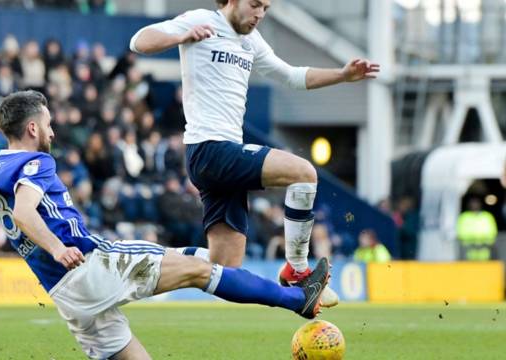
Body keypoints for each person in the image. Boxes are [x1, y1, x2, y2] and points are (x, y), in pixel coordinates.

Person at [0, 90, 330, 360]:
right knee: (202, 268)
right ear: (32, 128)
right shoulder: (35, 162)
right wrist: (58, 248)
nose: (52, 133)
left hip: (64, 295)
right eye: (49, 124)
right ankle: (298, 299)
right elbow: (25, 212)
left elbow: (16, 216)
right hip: (89, 266)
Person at [129, 0, 379, 306]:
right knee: (303, 174)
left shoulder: (251, 40)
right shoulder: (200, 20)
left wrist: (342, 75)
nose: (260, 14)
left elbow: (292, 76)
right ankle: (297, 271)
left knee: (226, 269)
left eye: (266, 8)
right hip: (209, 149)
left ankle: (143, 255)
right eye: (255, 5)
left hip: (225, 154)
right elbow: (139, 41)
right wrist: (182, 36)